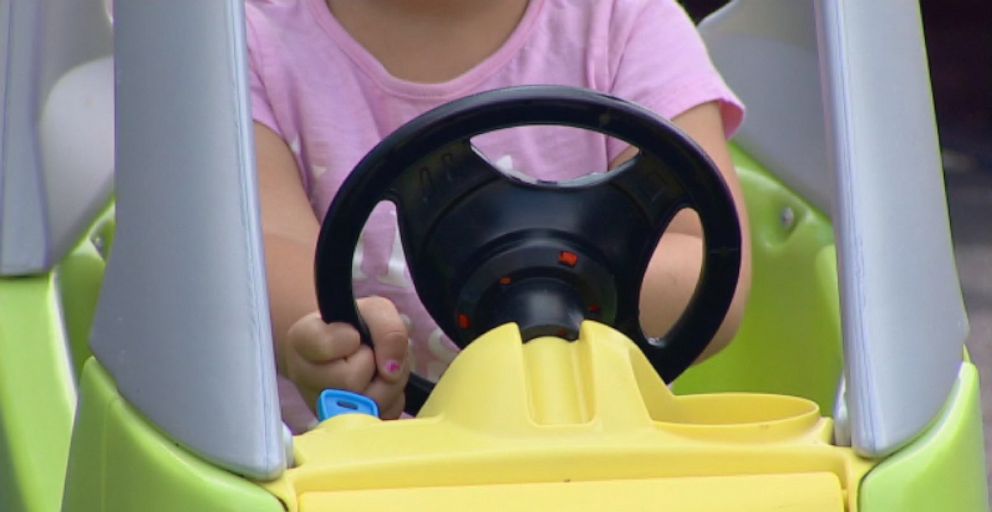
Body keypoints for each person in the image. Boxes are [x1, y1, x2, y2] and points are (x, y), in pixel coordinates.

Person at [246, 0, 752, 433]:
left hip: (599, 453)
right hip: (357, 471)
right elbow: (265, 236)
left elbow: (699, 249)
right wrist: (332, 333)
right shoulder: (249, 39)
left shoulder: (624, 19)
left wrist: (550, 293)